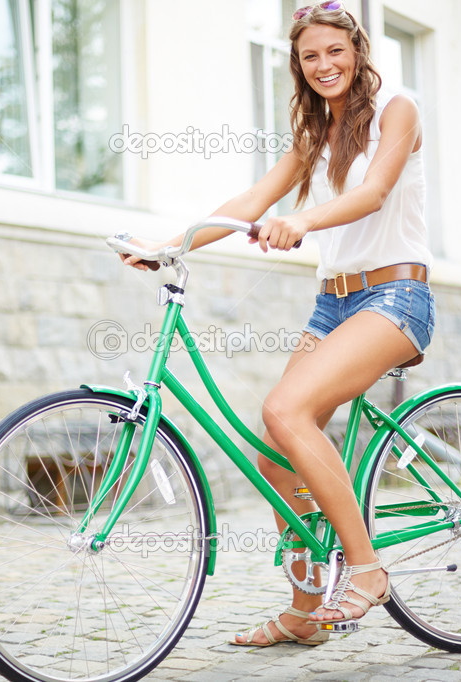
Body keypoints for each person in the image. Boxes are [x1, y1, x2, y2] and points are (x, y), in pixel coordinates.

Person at [119, 1, 434, 647]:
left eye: (334, 51)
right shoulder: (314, 132)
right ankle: (304, 611)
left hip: (396, 296)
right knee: (274, 448)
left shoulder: (397, 109)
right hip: (333, 304)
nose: (324, 65)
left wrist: (302, 220)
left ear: (358, 51)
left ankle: (367, 569)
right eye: (309, 56)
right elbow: (250, 202)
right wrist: (168, 244)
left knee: (285, 408)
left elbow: (373, 192)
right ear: (298, 65)